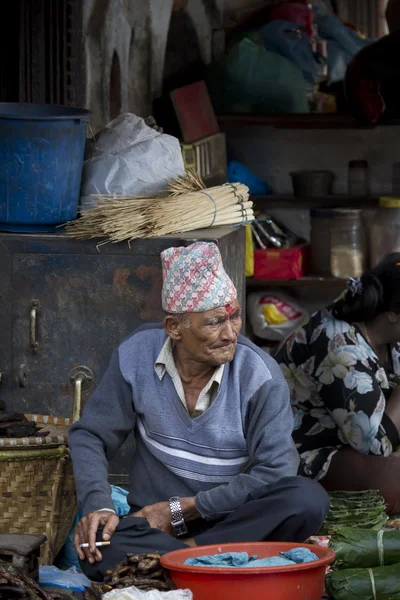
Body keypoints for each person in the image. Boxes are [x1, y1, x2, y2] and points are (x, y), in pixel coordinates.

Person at [69, 241, 329, 581]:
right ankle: (218, 562)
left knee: (307, 499)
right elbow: (90, 434)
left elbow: (276, 471)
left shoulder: (260, 377)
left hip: (234, 519)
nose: (231, 333)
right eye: (214, 322)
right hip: (155, 523)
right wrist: (99, 505)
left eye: (235, 317)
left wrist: (185, 509)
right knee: (97, 550)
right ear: (175, 328)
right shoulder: (135, 355)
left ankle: (184, 559)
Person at [275, 254, 400, 513]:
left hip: (354, 444)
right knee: (394, 482)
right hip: (305, 453)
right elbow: (374, 446)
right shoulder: (339, 345)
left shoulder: (387, 334)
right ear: (393, 314)